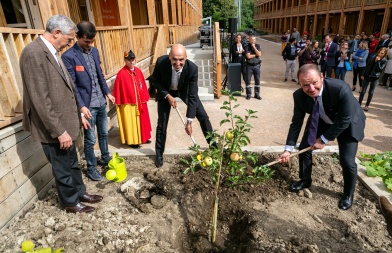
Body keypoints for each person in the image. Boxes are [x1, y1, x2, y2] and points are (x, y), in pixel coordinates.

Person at [20, 15, 103, 213]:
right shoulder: (33, 54)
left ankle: (80, 192)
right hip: (53, 128)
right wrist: (59, 131)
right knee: (62, 167)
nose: (70, 43)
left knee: (73, 162)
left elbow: (67, 89)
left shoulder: (52, 52)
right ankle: (70, 202)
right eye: (69, 38)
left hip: (67, 121)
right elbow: (40, 99)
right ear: (57, 33)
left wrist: (79, 114)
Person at [277, 64, 366, 210]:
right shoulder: (299, 96)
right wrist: (288, 149)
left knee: (347, 161)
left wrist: (323, 139)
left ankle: (348, 194)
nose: (311, 88)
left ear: (322, 77)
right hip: (323, 119)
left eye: (314, 83)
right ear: (300, 83)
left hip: (349, 122)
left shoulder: (340, 88)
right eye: (305, 85)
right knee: (305, 147)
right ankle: (305, 180)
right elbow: (296, 123)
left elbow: (344, 119)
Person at [62, 21, 115, 181]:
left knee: (104, 133)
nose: (89, 44)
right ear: (77, 37)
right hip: (87, 106)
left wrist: (107, 92)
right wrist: (81, 107)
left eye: (91, 41)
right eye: (86, 41)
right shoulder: (69, 57)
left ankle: (105, 157)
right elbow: (73, 86)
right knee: (91, 139)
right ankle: (91, 167)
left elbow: (99, 74)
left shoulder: (95, 51)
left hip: (100, 101)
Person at [150, 44, 214, 168]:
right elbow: (155, 80)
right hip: (166, 91)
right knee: (162, 123)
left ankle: (214, 146)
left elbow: (192, 95)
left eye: (181, 60)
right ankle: (159, 154)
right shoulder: (161, 62)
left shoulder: (192, 69)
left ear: (186, 57)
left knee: (203, 116)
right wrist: (167, 96)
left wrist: (189, 121)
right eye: (174, 59)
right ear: (169, 57)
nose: (178, 63)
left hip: (183, 91)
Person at [112, 50, 152, 148]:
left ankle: (143, 137)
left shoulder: (138, 71)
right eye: (129, 60)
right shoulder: (121, 74)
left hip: (140, 102)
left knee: (143, 120)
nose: (131, 62)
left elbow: (142, 85)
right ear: (125, 61)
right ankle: (132, 141)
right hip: (128, 103)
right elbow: (119, 90)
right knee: (131, 122)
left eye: (133, 59)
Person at [245, 35, 262, 100]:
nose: (252, 41)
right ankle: (248, 94)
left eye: (254, 40)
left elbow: (260, 54)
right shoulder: (247, 46)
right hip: (249, 66)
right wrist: (256, 54)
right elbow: (248, 57)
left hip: (257, 65)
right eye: (251, 40)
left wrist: (254, 48)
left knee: (257, 80)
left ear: (255, 40)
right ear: (249, 40)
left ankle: (257, 94)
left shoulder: (258, 46)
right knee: (248, 80)